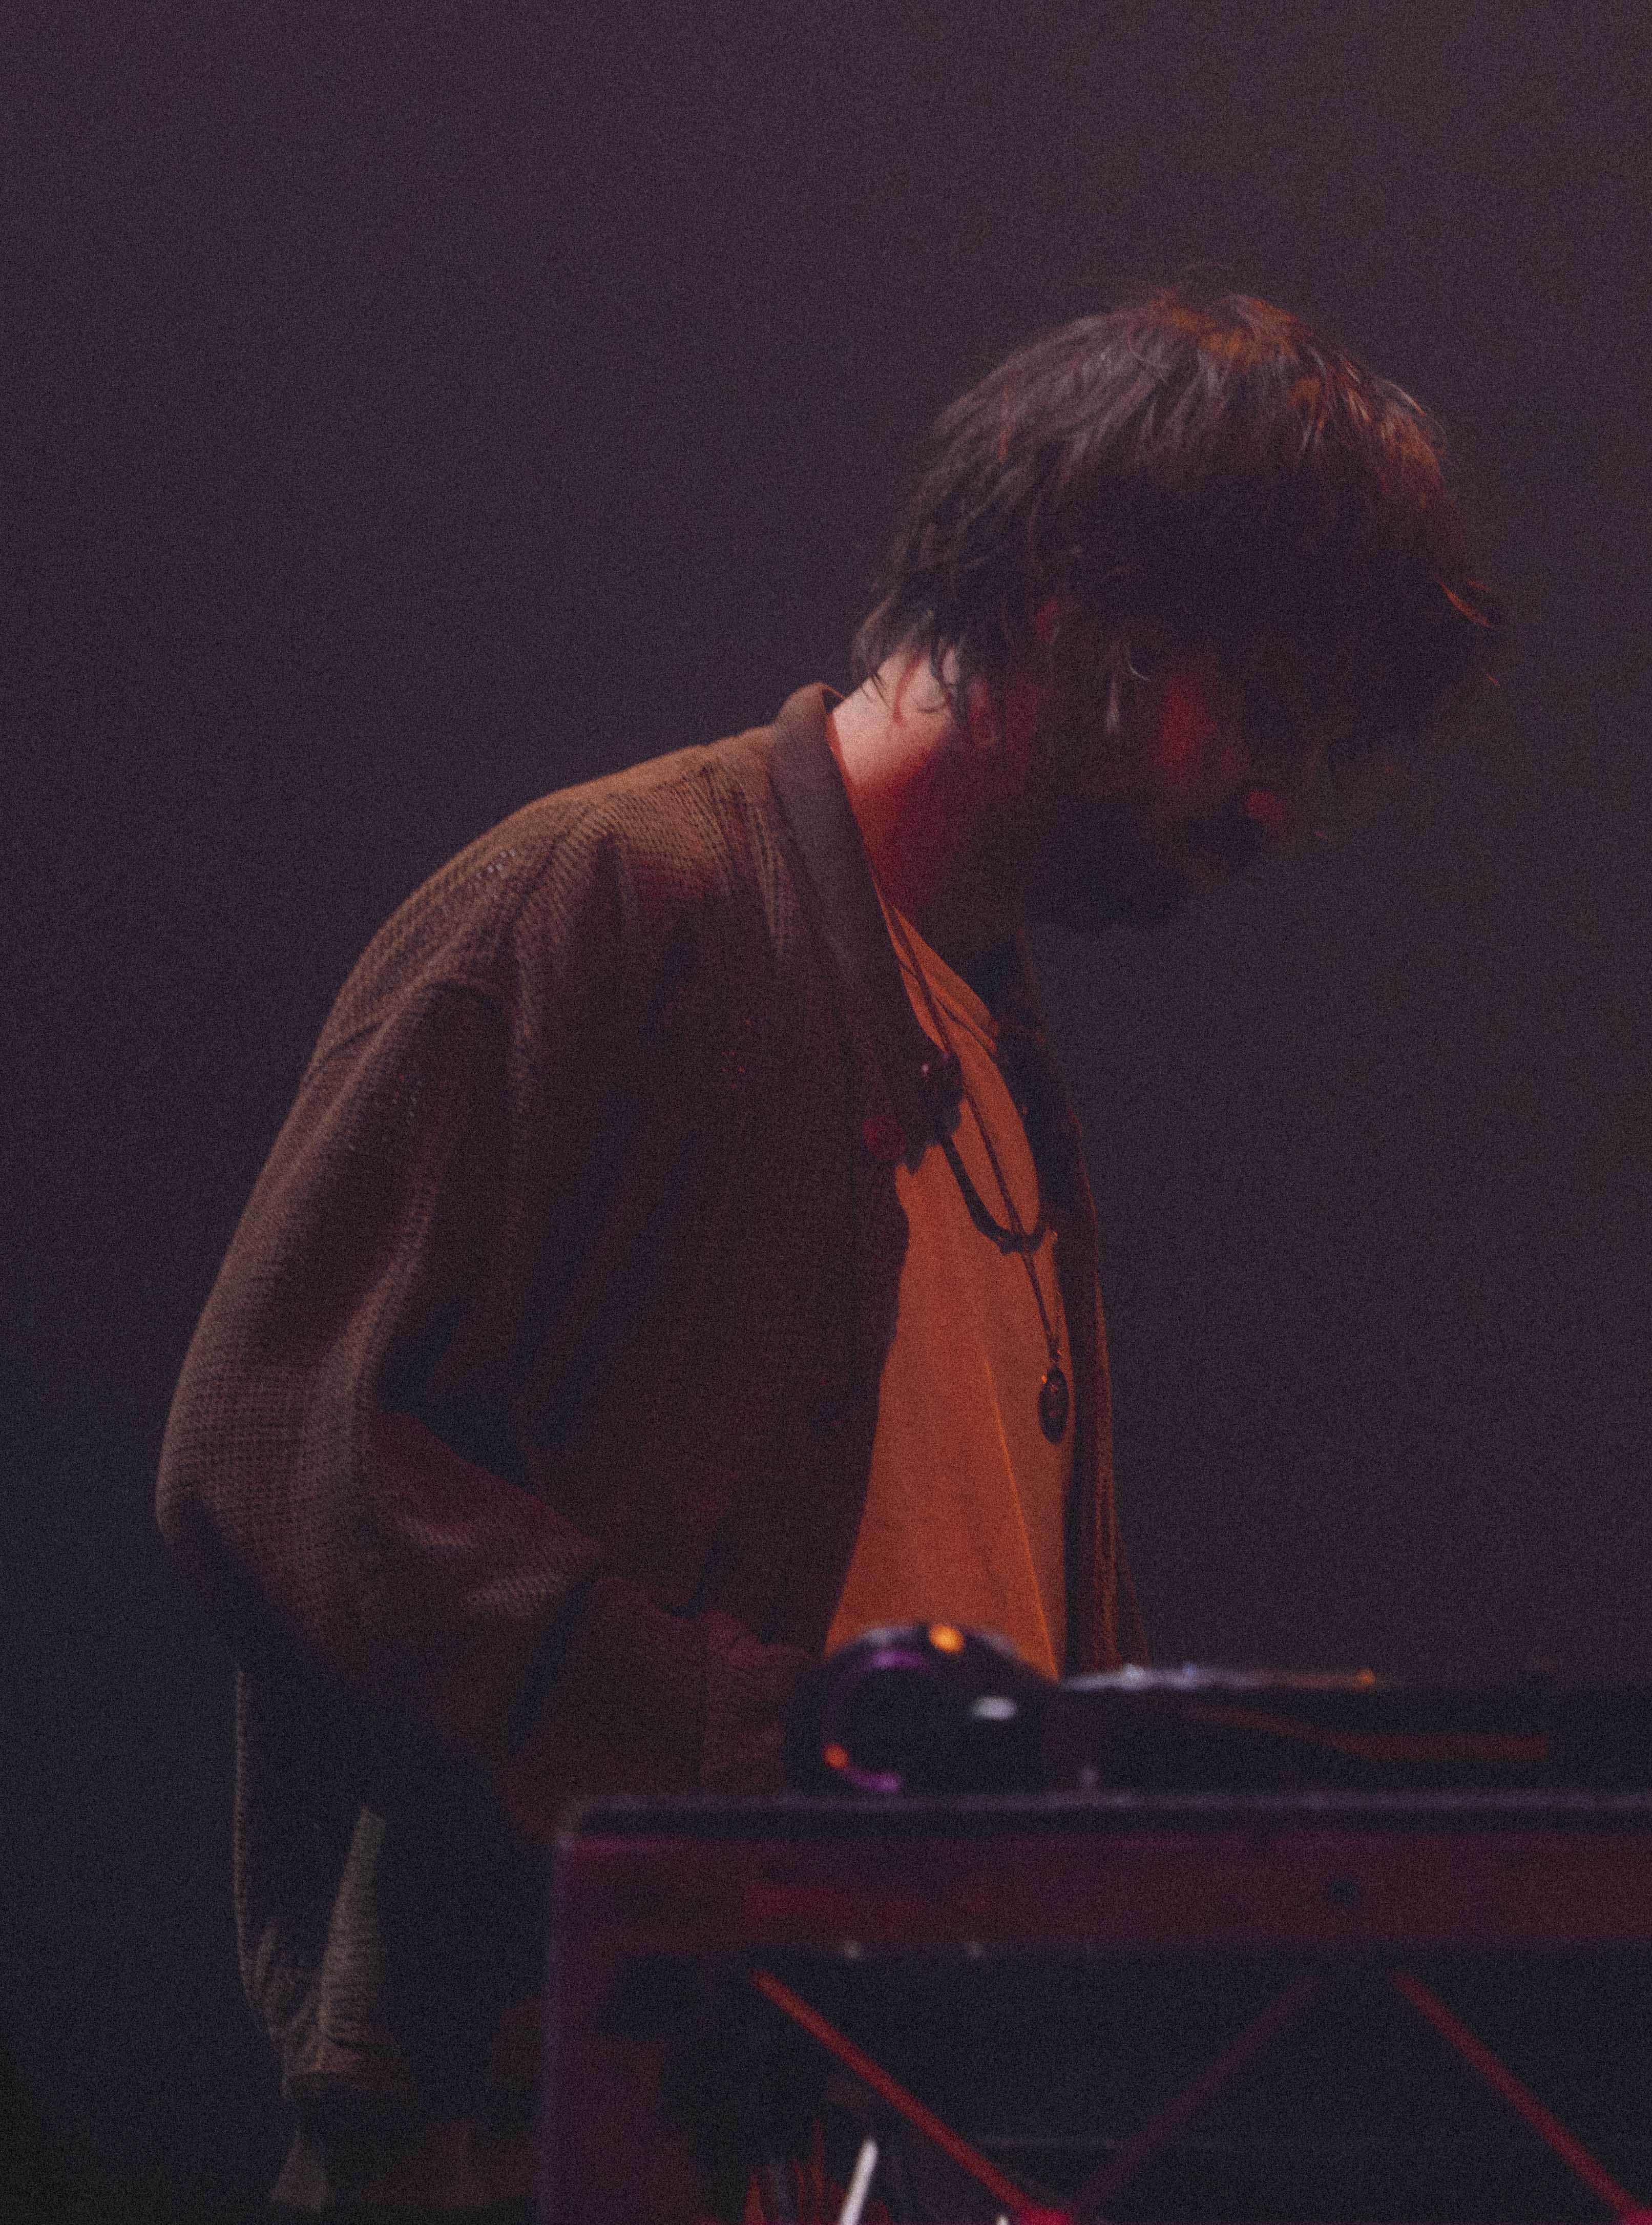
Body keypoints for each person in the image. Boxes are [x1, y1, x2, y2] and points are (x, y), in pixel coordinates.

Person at [155, 288, 1498, 2220]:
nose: (1277, 802)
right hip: (556, 2140)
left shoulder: (999, 1056)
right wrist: (762, 1755)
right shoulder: (611, 897)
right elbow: (276, 1464)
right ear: (1074, 600)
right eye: (1261, 711)